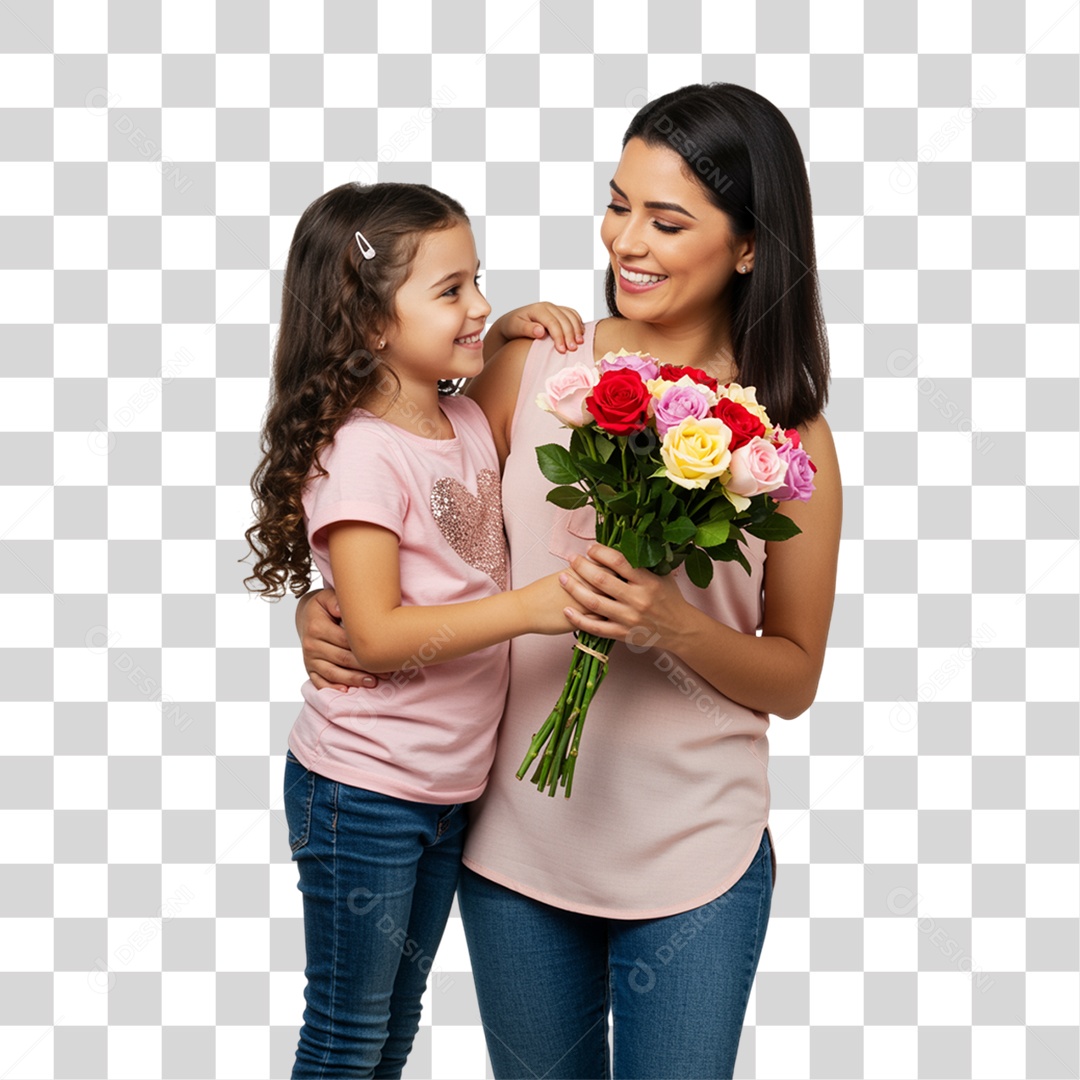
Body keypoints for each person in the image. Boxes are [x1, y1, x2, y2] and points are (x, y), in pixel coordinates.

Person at [295, 83, 842, 1079]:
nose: (625, 239)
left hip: (698, 857)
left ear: (752, 245)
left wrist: (671, 626)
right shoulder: (541, 369)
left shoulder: (788, 438)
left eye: (666, 220)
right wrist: (324, 603)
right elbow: (417, 510)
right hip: (516, 845)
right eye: (618, 202)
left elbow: (794, 677)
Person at [241, 181, 588, 1078]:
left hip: (445, 789)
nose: (476, 304)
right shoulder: (361, 453)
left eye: (480, 281)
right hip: (365, 789)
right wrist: (533, 608)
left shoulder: (463, 417)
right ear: (368, 322)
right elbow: (381, 636)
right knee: (348, 1032)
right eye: (451, 291)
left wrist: (498, 328)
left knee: (396, 1024)